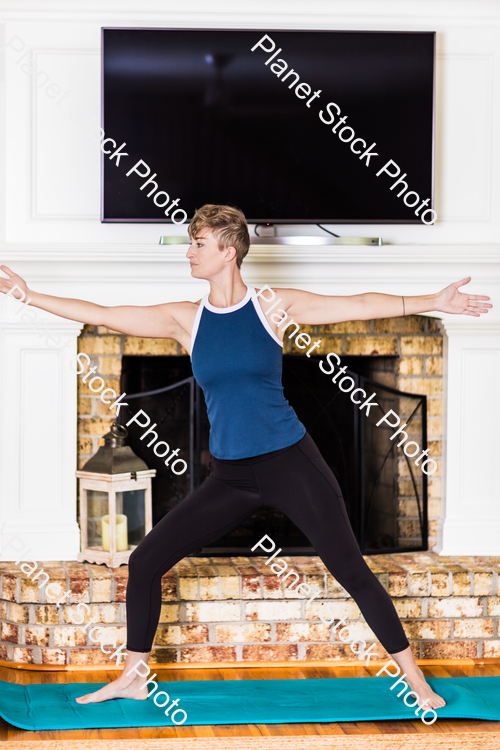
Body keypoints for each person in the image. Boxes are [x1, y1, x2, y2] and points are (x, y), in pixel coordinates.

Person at [0, 205, 492, 712]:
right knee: (146, 559)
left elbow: (360, 303)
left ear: (228, 251)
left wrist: (434, 300)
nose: (189, 252)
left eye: (199, 244)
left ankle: (414, 678)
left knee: (350, 568)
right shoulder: (186, 319)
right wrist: (28, 294)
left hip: (291, 463)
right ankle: (132, 674)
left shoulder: (271, 306)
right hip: (230, 476)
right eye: (190, 242)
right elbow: (101, 313)